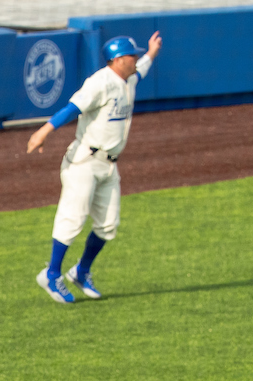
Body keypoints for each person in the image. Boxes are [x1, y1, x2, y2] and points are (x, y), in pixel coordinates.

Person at [28, 32, 162, 304]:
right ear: (118, 59)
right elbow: (72, 108)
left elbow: (143, 68)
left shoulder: (129, 79)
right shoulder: (99, 83)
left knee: (108, 225)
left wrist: (151, 52)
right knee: (72, 219)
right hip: (84, 163)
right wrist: (43, 131)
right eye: (132, 55)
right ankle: (52, 274)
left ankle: (81, 271)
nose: (136, 59)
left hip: (109, 166)